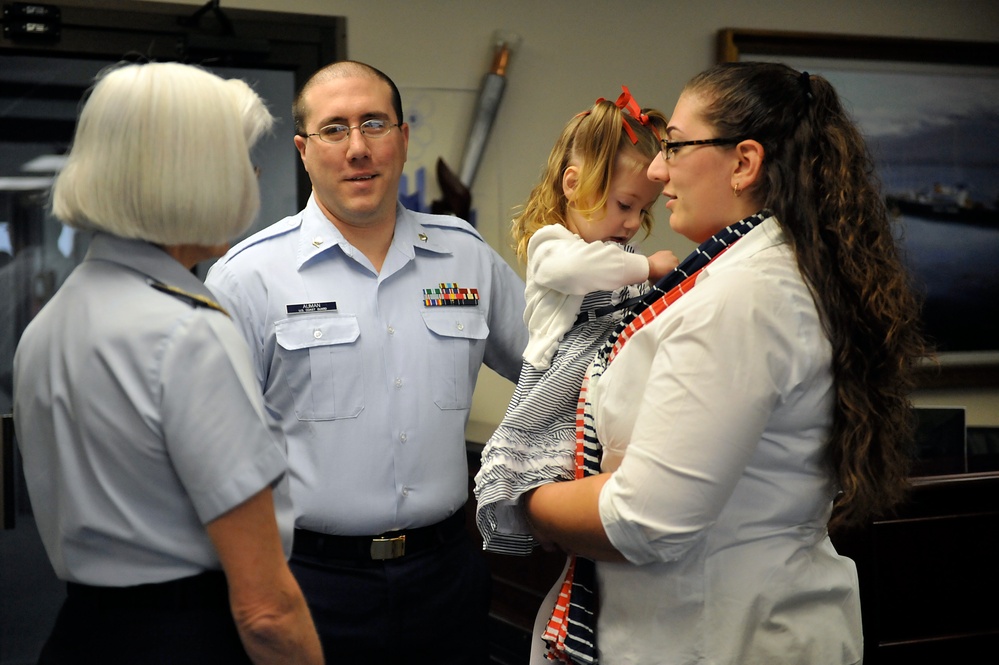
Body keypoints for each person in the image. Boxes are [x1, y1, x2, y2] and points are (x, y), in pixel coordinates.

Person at [523, 61, 928, 664]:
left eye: (676, 147)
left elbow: (643, 519)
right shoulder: (757, 271)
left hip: (721, 634)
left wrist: (522, 494)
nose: (658, 172)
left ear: (744, 163)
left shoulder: (742, 295)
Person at [205, 60, 528, 663]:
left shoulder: (464, 256)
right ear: (303, 151)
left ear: (403, 139)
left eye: (374, 124)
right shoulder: (248, 276)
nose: (357, 148)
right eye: (334, 129)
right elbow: (212, 454)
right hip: (312, 582)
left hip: (447, 576)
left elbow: (553, 368)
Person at [12, 62, 322, 664]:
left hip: (82, 632)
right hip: (185, 637)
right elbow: (265, 610)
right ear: (192, 175)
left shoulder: (51, 321)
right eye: (238, 159)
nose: (252, 177)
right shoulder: (187, 331)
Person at [474, 86, 676, 555]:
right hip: (563, 369)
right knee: (547, 457)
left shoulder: (619, 253)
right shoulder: (553, 244)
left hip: (605, 368)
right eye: (624, 205)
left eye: (642, 211)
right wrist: (648, 268)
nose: (631, 223)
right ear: (572, 184)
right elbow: (579, 272)